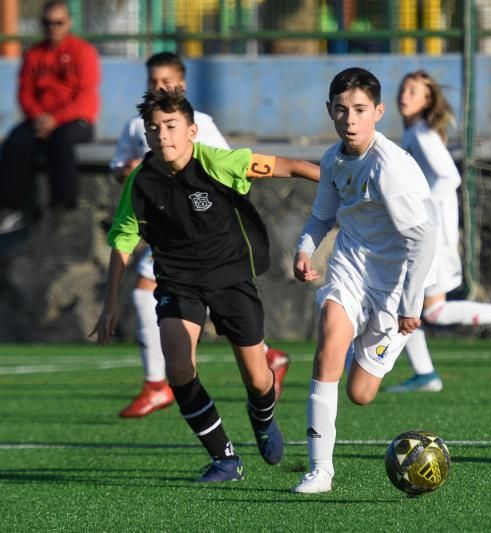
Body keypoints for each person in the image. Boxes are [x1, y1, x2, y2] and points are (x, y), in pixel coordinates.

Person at [91, 88, 320, 482]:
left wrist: (340, 186)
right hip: (179, 282)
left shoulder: (219, 162)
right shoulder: (140, 183)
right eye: (154, 128)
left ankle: (262, 416)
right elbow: (123, 242)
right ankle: (225, 459)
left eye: (171, 125)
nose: (162, 134)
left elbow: (292, 166)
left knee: (257, 377)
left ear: (192, 131)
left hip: (231, 277)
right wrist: (110, 304)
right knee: (178, 367)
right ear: (145, 136)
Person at [110, 52, 290, 419]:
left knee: (156, 296)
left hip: (205, 232)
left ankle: (164, 381)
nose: (160, 88)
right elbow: (122, 170)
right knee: (151, 298)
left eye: (167, 82)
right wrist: (127, 170)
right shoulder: (138, 125)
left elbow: (223, 166)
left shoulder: (200, 123)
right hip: (166, 229)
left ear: (182, 86)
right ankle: (162, 380)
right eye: (153, 82)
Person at [291, 67, 437, 493]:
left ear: (378, 112)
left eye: (359, 110)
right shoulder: (333, 159)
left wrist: (412, 303)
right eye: (341, 110)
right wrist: (304, 250)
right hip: (350, 268)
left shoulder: (389, 166)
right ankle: (320, 471)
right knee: (328, 346)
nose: (349, 119)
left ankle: (380, 340)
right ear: (330, 112)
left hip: (394, 286)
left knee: (361, 393)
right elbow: (322, 215)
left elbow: (424, 237)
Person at [387, 70, 491, 393]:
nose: (405, 95)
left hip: (432, 236)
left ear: (428, 100)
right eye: (403, 89)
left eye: (414, 91)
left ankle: (426, 372)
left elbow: (449, 178)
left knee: (410, 302)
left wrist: (420, 206)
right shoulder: (415, 132)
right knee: (428, 309)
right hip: (430, 233)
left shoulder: (422, 134)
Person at [0, 0, 99, 234]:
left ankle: (63, 205)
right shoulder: (34, 54)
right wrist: (38, 117)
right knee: (16, 141)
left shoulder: (83, 52)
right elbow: (25, 92)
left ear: (68, 23)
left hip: (75, 120)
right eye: (47, 23)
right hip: (41, 119)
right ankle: (16, 206)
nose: (52, 27)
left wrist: (56, 119)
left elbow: (85, 96)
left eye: (58, 22)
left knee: (61, 142)